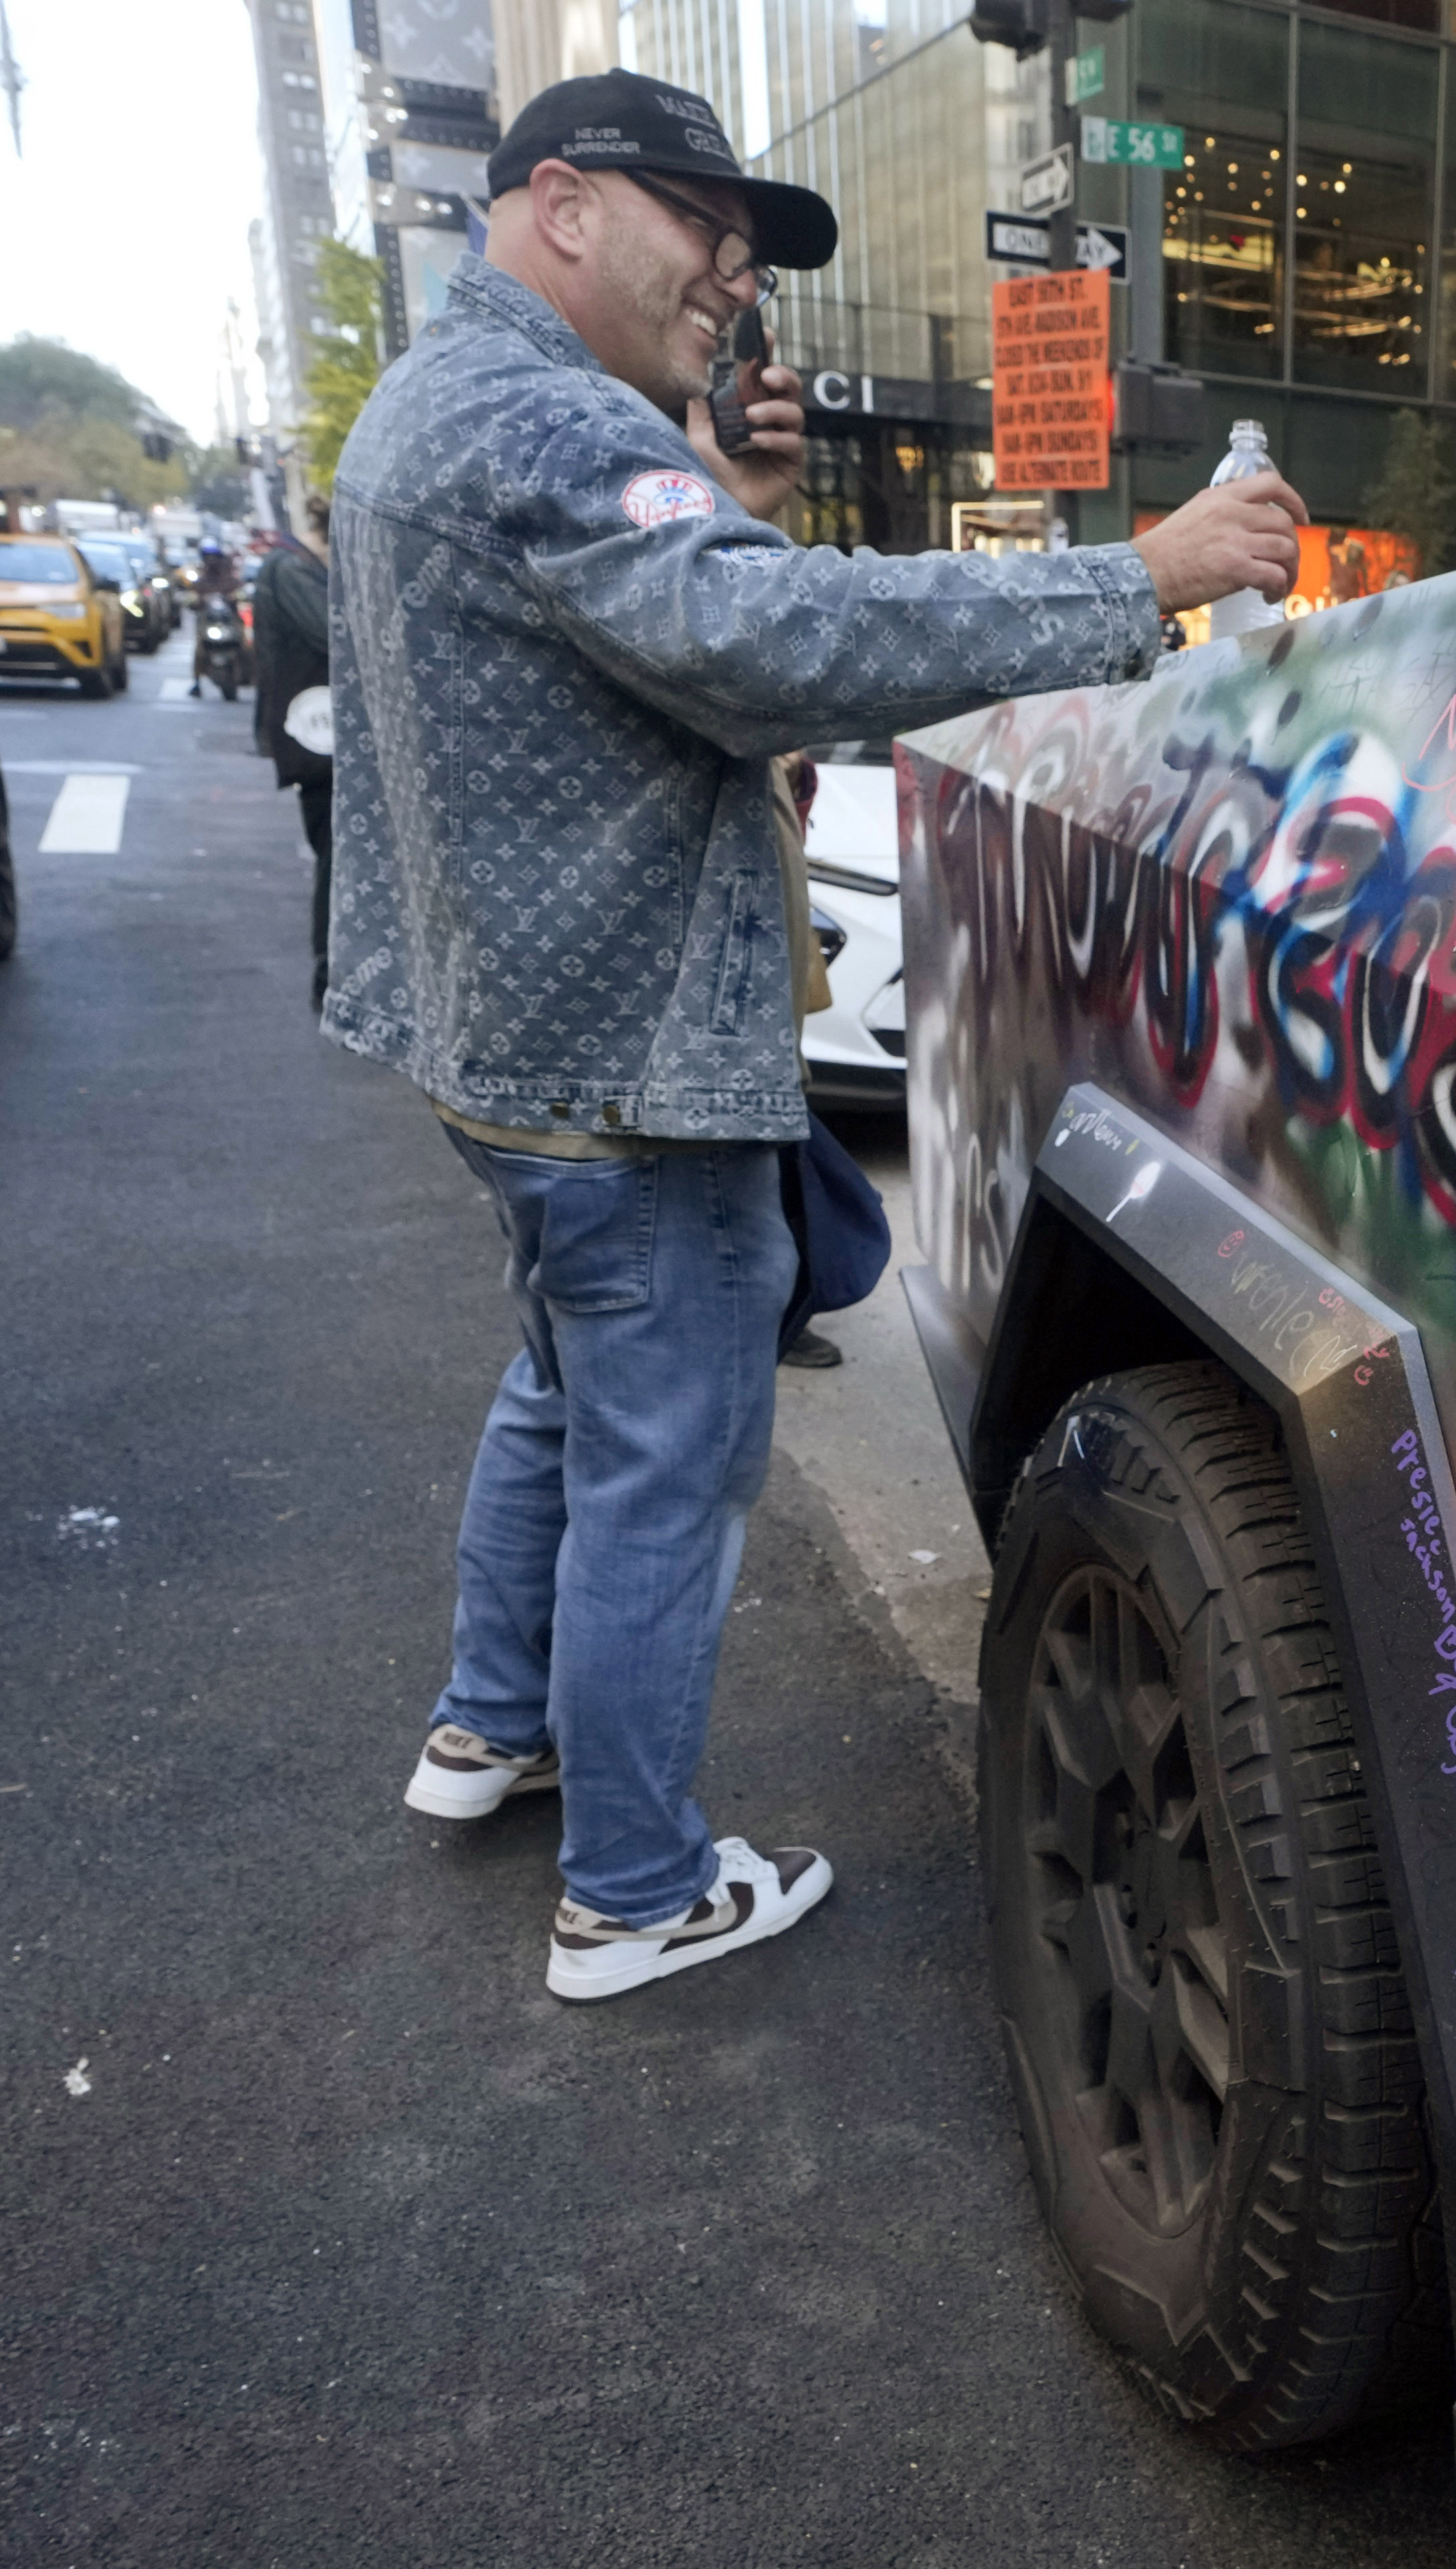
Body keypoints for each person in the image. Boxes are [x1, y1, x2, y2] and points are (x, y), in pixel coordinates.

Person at [324, 69, 1310, 2003]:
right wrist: (1147, 576)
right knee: (664, 1462)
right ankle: (630, 1890)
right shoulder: (541, 420)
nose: (733, 277)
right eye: (705, 223)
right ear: (562, 202)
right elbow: (778, 643)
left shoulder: (447, 401)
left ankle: (488, 1727)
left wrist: (738, 509)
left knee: (562, 1389)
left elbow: (671, 629)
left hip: (507, 1047)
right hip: (621, 1062)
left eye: (751, 251)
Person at [252, 505, 332, 1007]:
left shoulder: (292, 564)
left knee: (335, 847)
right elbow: (334, 634)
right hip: (319, 735)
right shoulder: (294, 569)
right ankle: (330, 975)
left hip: (318, 734)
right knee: (336, 849)